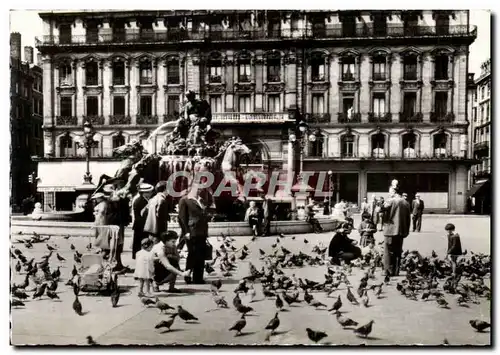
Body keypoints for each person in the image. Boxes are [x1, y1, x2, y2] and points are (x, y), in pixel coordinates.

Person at [178, 184, 212, 284]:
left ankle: (198, 278)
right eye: (197, 189)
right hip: (192, 231)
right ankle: (188, 276)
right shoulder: (184, 200)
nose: (199, 191)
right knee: (192, 254)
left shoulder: (201, 200)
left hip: (202, 231)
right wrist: (186, 232)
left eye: (200, 189)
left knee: (201, 255)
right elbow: (182, 218)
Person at [381, 180, 411, 277]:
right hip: (401, 231)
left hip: (390, 230)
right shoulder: (406, 202)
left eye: (389, 191)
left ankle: (387, 271)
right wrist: (406, 231)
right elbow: (408, 219)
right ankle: (396, 271)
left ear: (393, 192)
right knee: (398, 251)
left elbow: (380, 210)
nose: (389, 193)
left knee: (388, 251)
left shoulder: (390, 200)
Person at [131, 183, 153, 259]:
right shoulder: (140, 201)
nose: (151, 193)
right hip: (141, 225)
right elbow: (140, 215)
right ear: (144, 193)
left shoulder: (144, 200)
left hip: (142, 225)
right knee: (139, 243)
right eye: (149, 192)